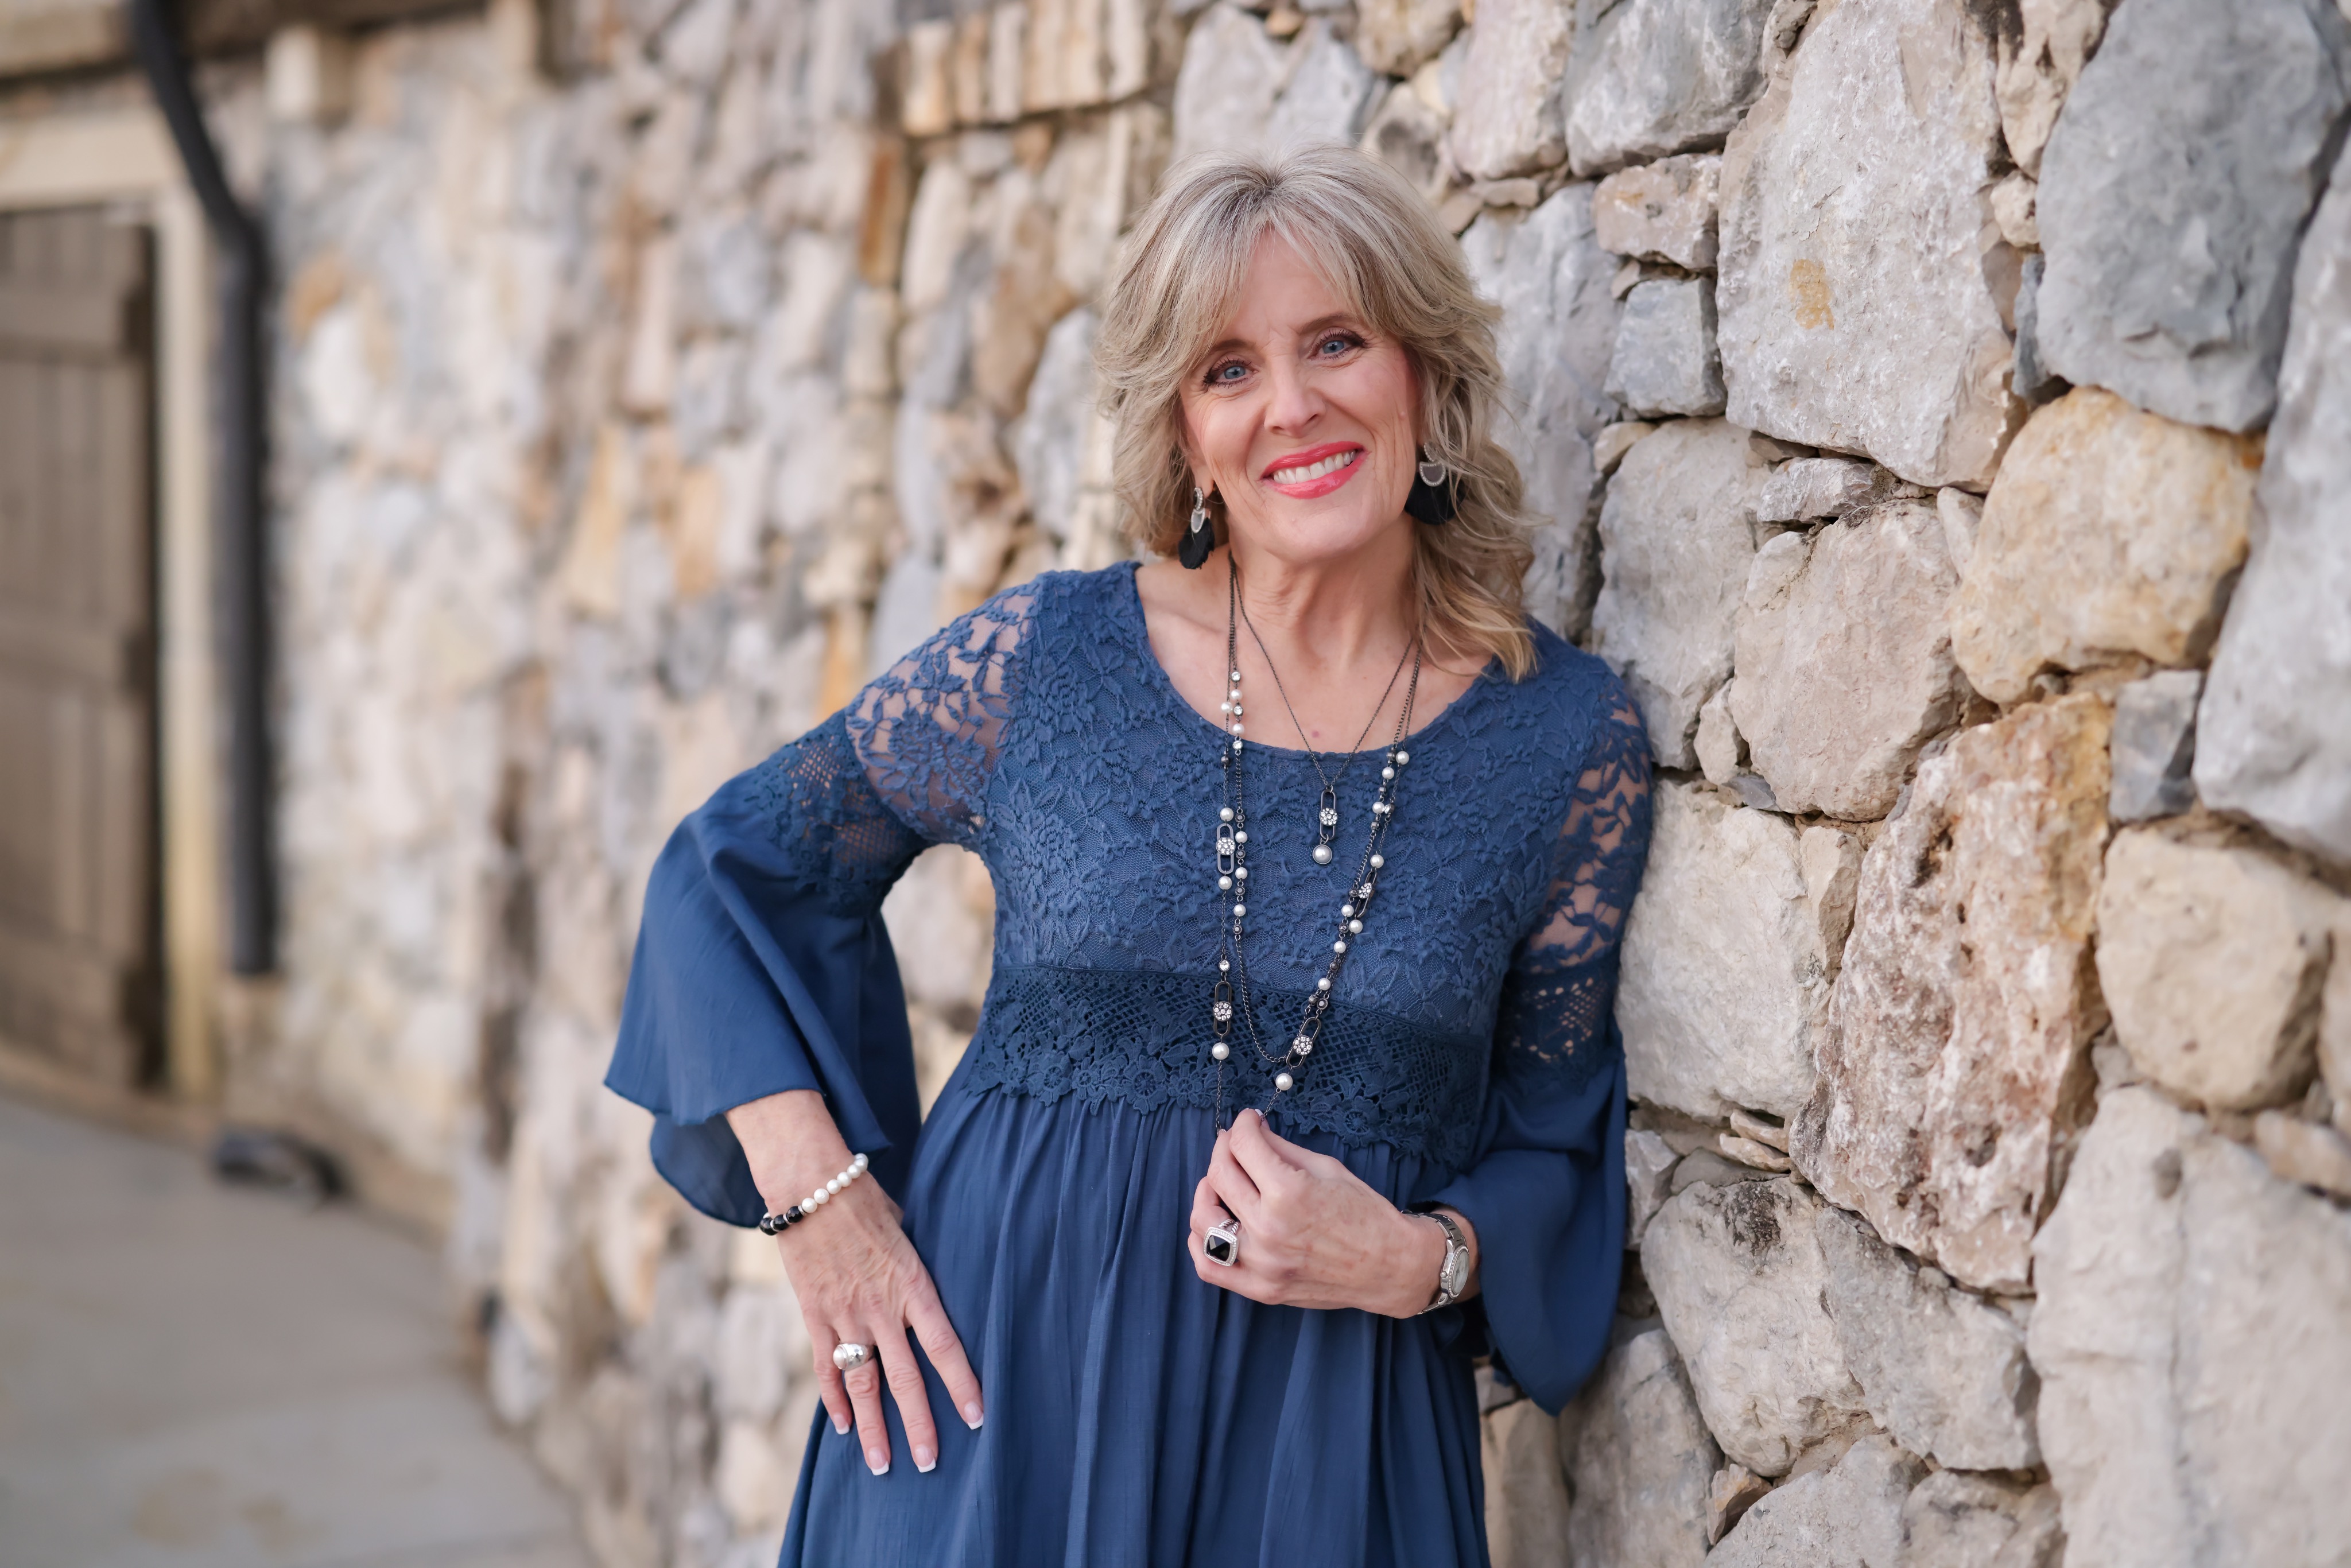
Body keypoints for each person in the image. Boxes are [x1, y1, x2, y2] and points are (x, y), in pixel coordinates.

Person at [606, 143, 1653, 1566]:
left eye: (1335, 342)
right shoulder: (1047, 661)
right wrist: (821, 1209)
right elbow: (727, 871)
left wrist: (1414, 1258)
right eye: (1227, 369)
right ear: (1183, 435)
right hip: (988, 1419)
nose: (1291, 406)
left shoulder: (1563, 742)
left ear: (1422, 372)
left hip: (1324, 1459)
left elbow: (1555, 1143)